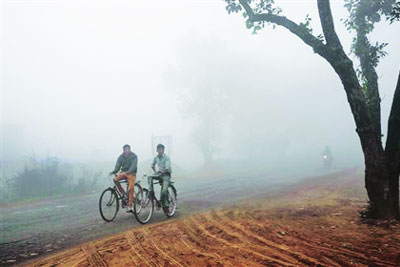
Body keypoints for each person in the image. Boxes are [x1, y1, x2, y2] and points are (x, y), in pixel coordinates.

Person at [110, 144, 138, 213]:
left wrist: (128, 172)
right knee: (115, 179)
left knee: (131, 188)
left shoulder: (134, 156)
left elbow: (134, 166)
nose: (127, 150)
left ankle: (130, 205)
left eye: (128, 149)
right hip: (123, 172)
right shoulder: (121, 157)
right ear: (123, 150)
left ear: (130, 149)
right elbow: (117, 166)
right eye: (126, 149)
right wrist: (113, 172)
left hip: (131, 173)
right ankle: (123, 193)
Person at [149, 144, 171, 211]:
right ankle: (151, 191)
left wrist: (165, 171)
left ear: (163, 150)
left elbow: (167, 167)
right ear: (157, 150)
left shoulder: (167, 157)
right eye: (159, 149)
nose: (160, 151)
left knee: (164, 191)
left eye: (161, 149)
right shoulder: (156, 158)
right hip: (160, 174)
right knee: (150, 177)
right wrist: (155, 172)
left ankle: (166, 205)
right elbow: (152, 165)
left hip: (166, 175)